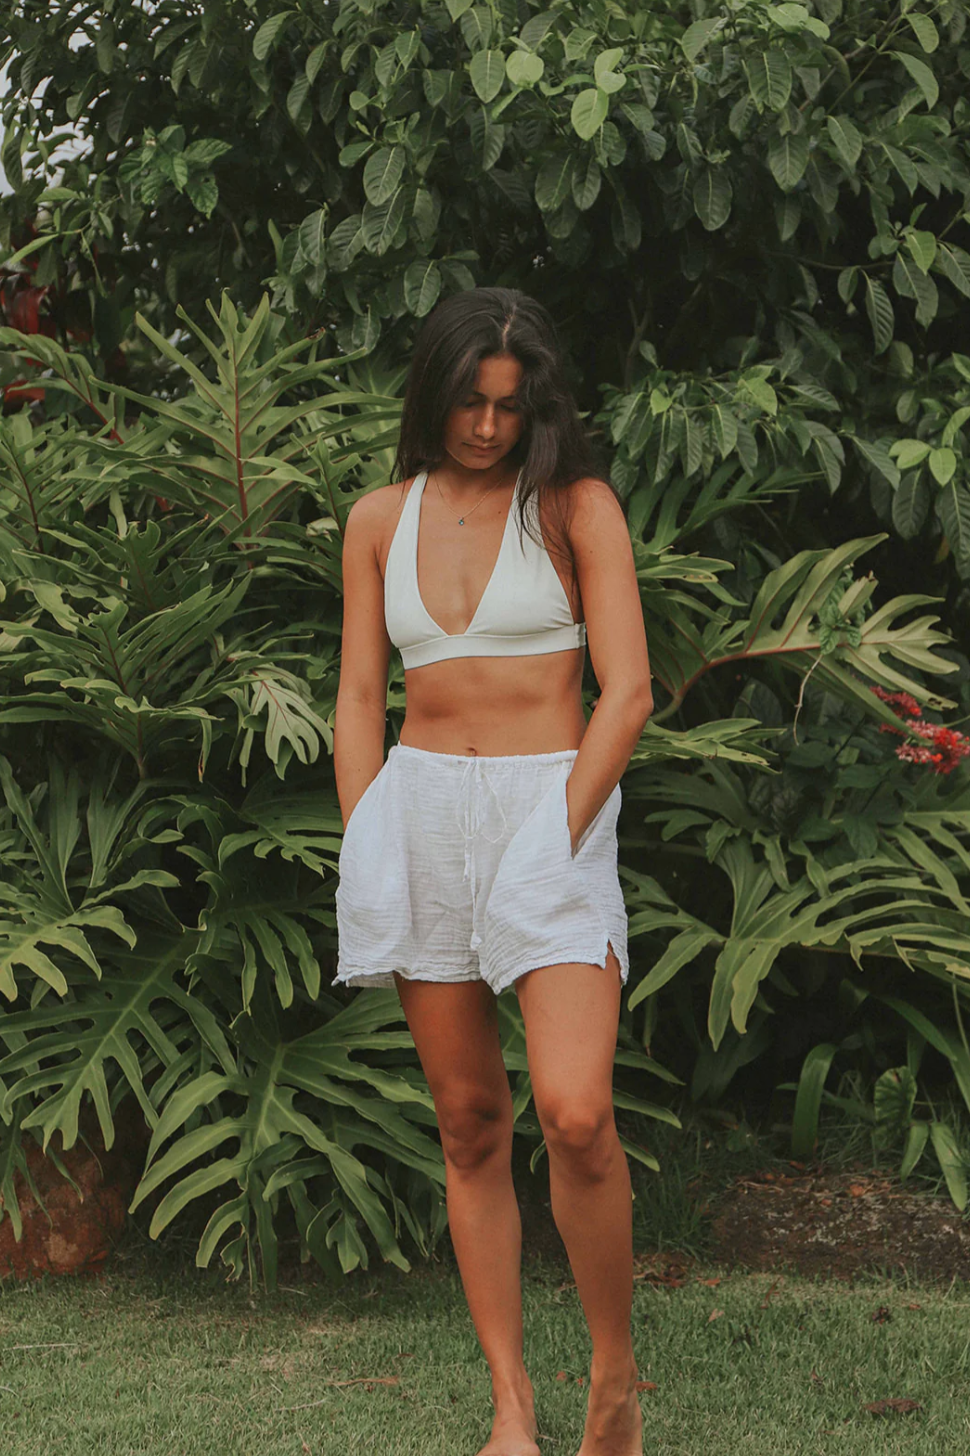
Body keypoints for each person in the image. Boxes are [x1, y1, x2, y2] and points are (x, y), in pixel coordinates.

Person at [333, 286, 653, 1456]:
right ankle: (511, 1407)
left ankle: (612, 1381)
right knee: (469, 1121)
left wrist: (553, 834)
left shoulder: (575, 506)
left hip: (549, 806)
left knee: (574, 1112)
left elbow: (627, 692)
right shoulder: (379, 518)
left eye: (508, 406)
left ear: (537, 406)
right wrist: (368, 832)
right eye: (469, 401)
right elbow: (362, 694)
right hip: (418, 810)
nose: (486, 426)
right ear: (434, 393)